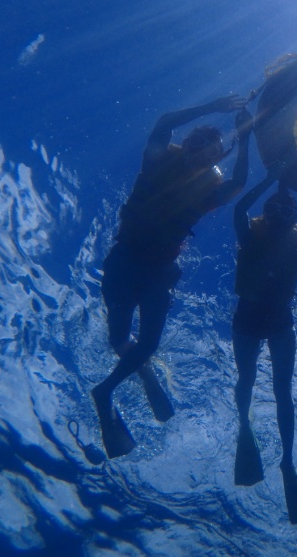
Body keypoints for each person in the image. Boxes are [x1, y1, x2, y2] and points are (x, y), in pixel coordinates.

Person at [92, 95, 252, 459]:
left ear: (215, 162)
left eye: (211, 155)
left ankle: (106, 390)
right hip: (123, 263)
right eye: (197, 144)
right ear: (188, 141)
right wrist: (217, 105)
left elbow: (239, 180)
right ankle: (143, 372)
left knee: (147, 342)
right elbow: (164, 121)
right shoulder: (157, 160)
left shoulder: (207, 193)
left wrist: (246, 138)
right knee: (119, 338)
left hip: (159, 274)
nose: (200, 156)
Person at [231, 170, 297, 525]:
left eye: (287, 212)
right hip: (248, 319)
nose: (279, 216)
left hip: (277, 321)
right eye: (274, 209)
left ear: (293, 218)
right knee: (246, 379)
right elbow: (239, 210)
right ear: (265, 211)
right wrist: (270, 178)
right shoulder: (250, 237)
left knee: (282, 391)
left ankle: (287, 461)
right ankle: (245, 425)